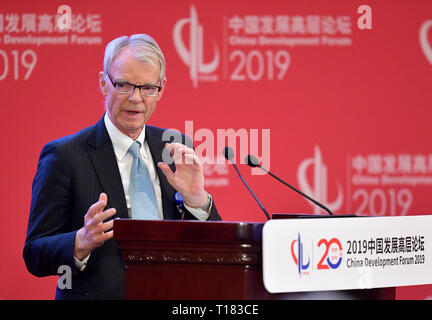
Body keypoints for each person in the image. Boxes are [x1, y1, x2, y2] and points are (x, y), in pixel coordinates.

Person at [23, 34, 221, 300]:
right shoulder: (65, 156)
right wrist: (79, 241)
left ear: (161, 88)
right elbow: (35, 253)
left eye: (148, 87)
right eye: (124, 85)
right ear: (104, 83)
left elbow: (215, 246)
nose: (136, 98)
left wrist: (197, 201)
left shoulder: (175, 147)